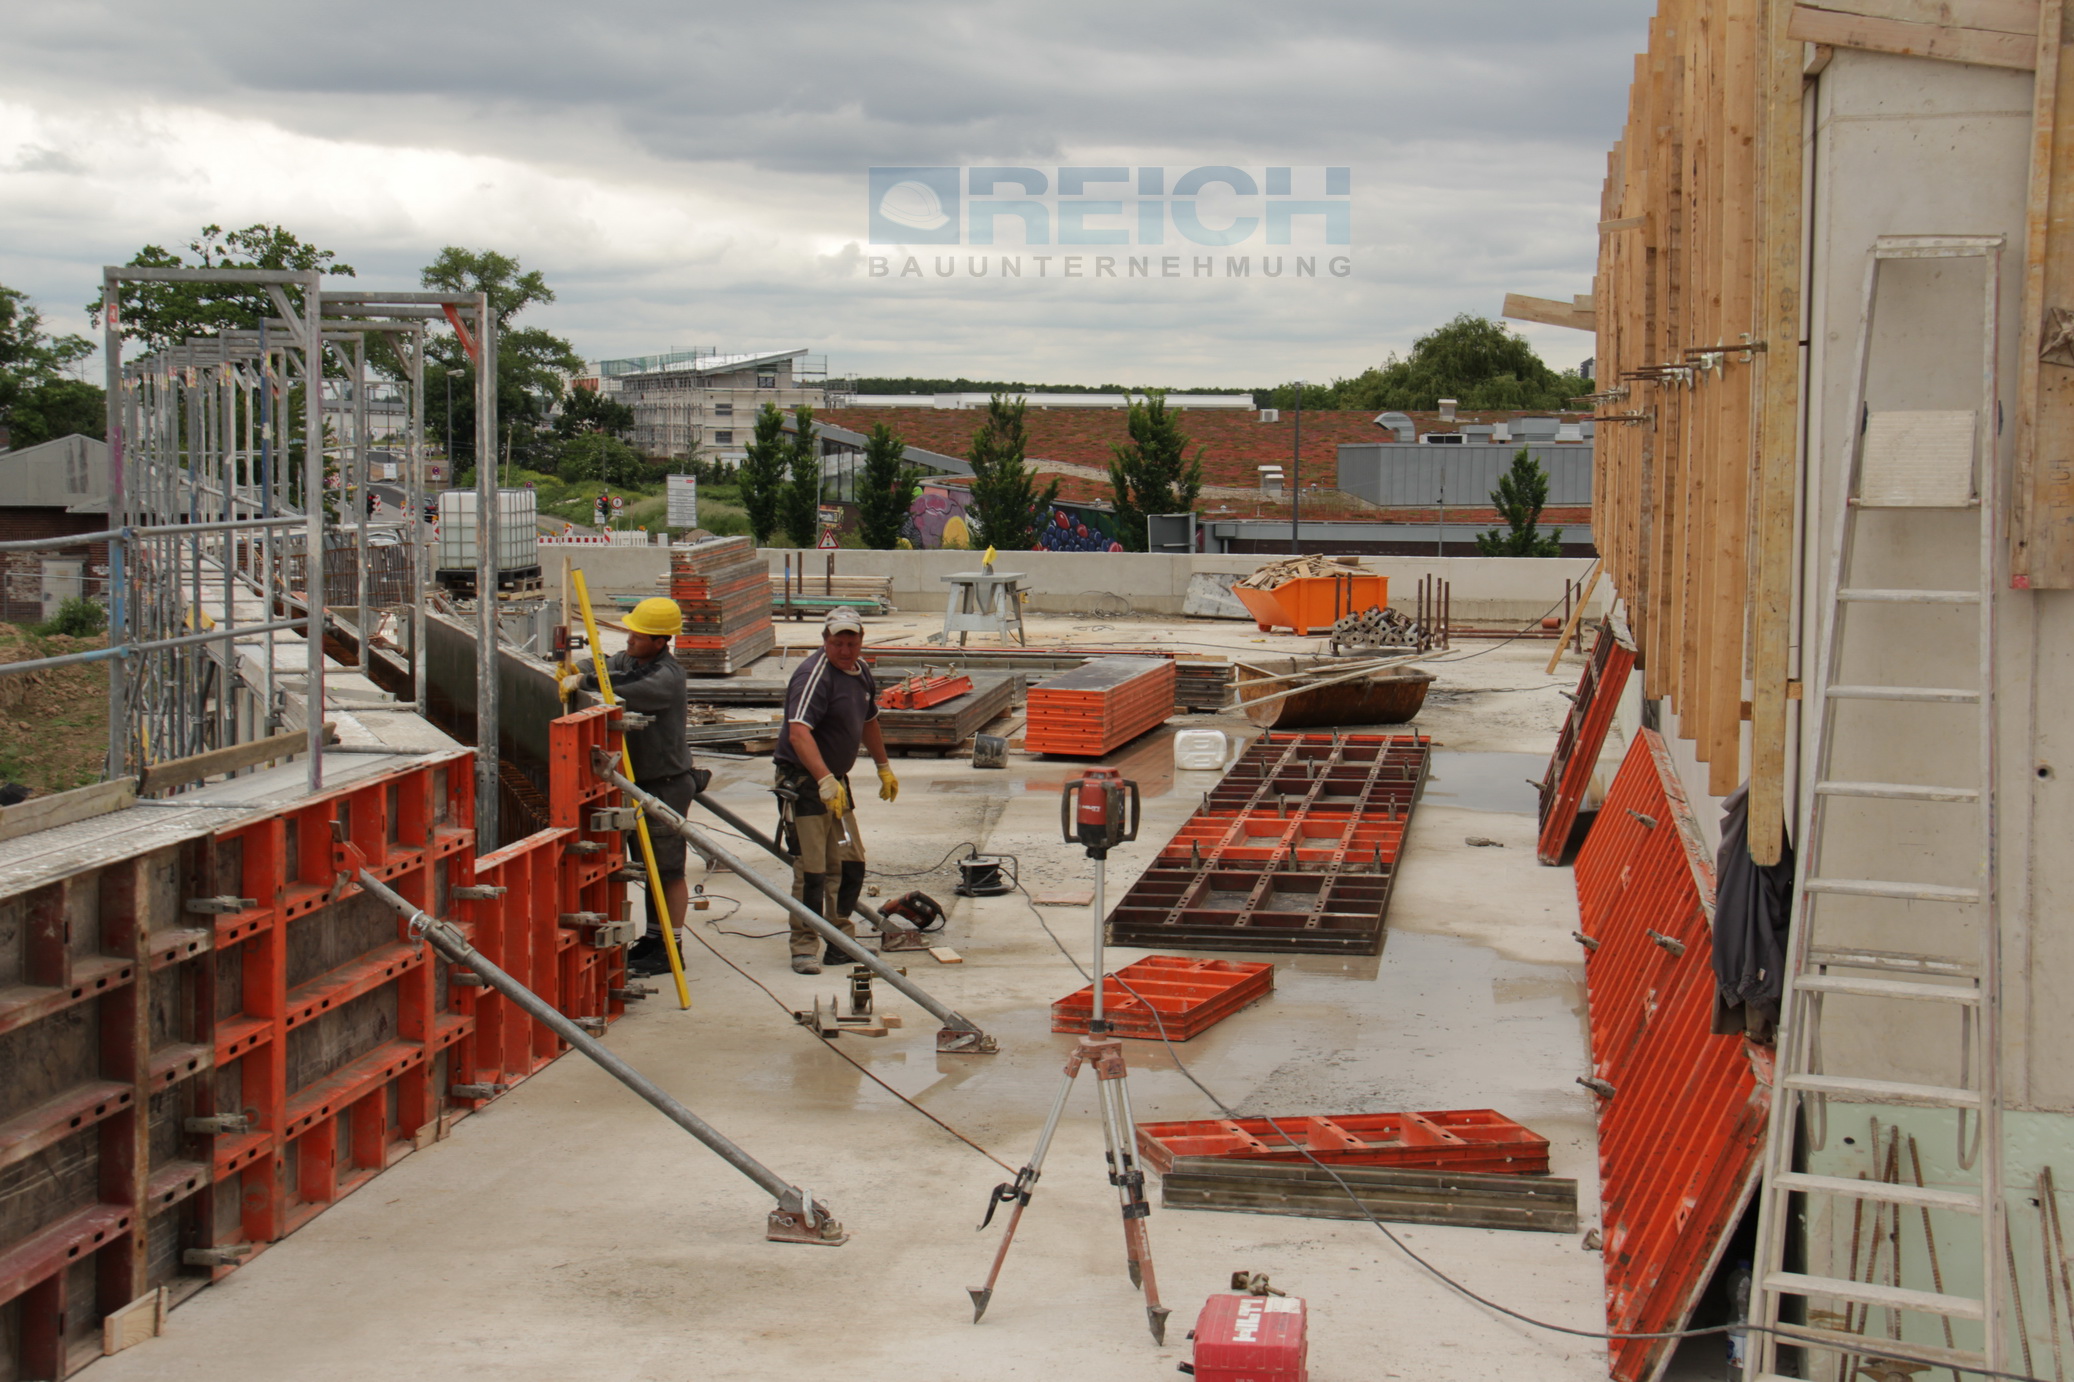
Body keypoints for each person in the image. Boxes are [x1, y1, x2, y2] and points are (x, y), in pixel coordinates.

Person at [561, 596, 708, 976]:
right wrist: (570, 668)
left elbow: (622, 688)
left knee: (667, 869)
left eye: (638, 634)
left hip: (665, 785)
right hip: (634, 782)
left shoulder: (666, 677)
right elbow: (604, 665)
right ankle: (653, 938)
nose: (629, 639)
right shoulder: (631, 659)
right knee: (644, 866)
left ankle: (669, 948)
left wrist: (585, 682)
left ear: (661, 641)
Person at [774, 608, 899, 974]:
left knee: (849, 862)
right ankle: (804, 945)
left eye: (852, 642)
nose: (845, 650)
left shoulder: (860, 672)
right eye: (837, 643)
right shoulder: (813, 676)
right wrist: (823, 780)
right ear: (825, 641)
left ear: (861, 641)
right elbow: (799, 733)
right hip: (804, 783)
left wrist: (883, 766)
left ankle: (840, 940)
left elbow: (869, 720)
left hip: (835, 785)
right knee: (812, 868)